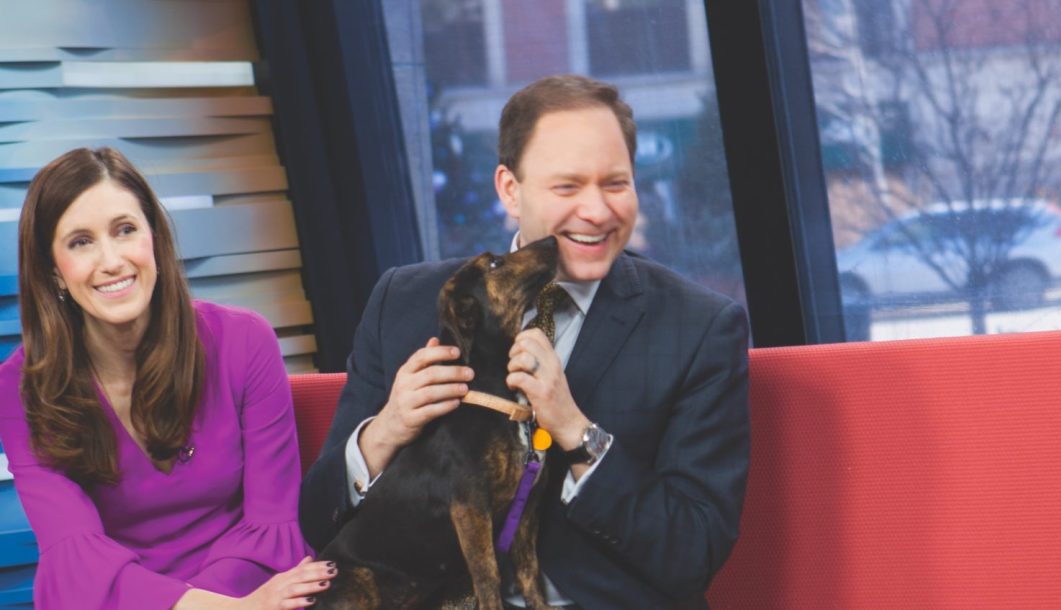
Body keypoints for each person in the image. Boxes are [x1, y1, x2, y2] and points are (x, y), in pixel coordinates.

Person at [300, 75, 750, 609]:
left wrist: (577, 433)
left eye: (615, 183)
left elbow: (692, 552)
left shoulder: (699, 328)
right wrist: (385, 432)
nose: (597, 211)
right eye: (567, 187)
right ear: (510, 189)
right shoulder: (405, 300)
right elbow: (317, 519)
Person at [0, 147, 337, 609]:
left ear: (154, 238)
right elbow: (77, 561)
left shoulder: (244, 341)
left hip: (258, 585)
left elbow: (272, 529)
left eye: (125, 230)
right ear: (54, 272)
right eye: (81, 242)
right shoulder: (21, 390)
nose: (112, 260)